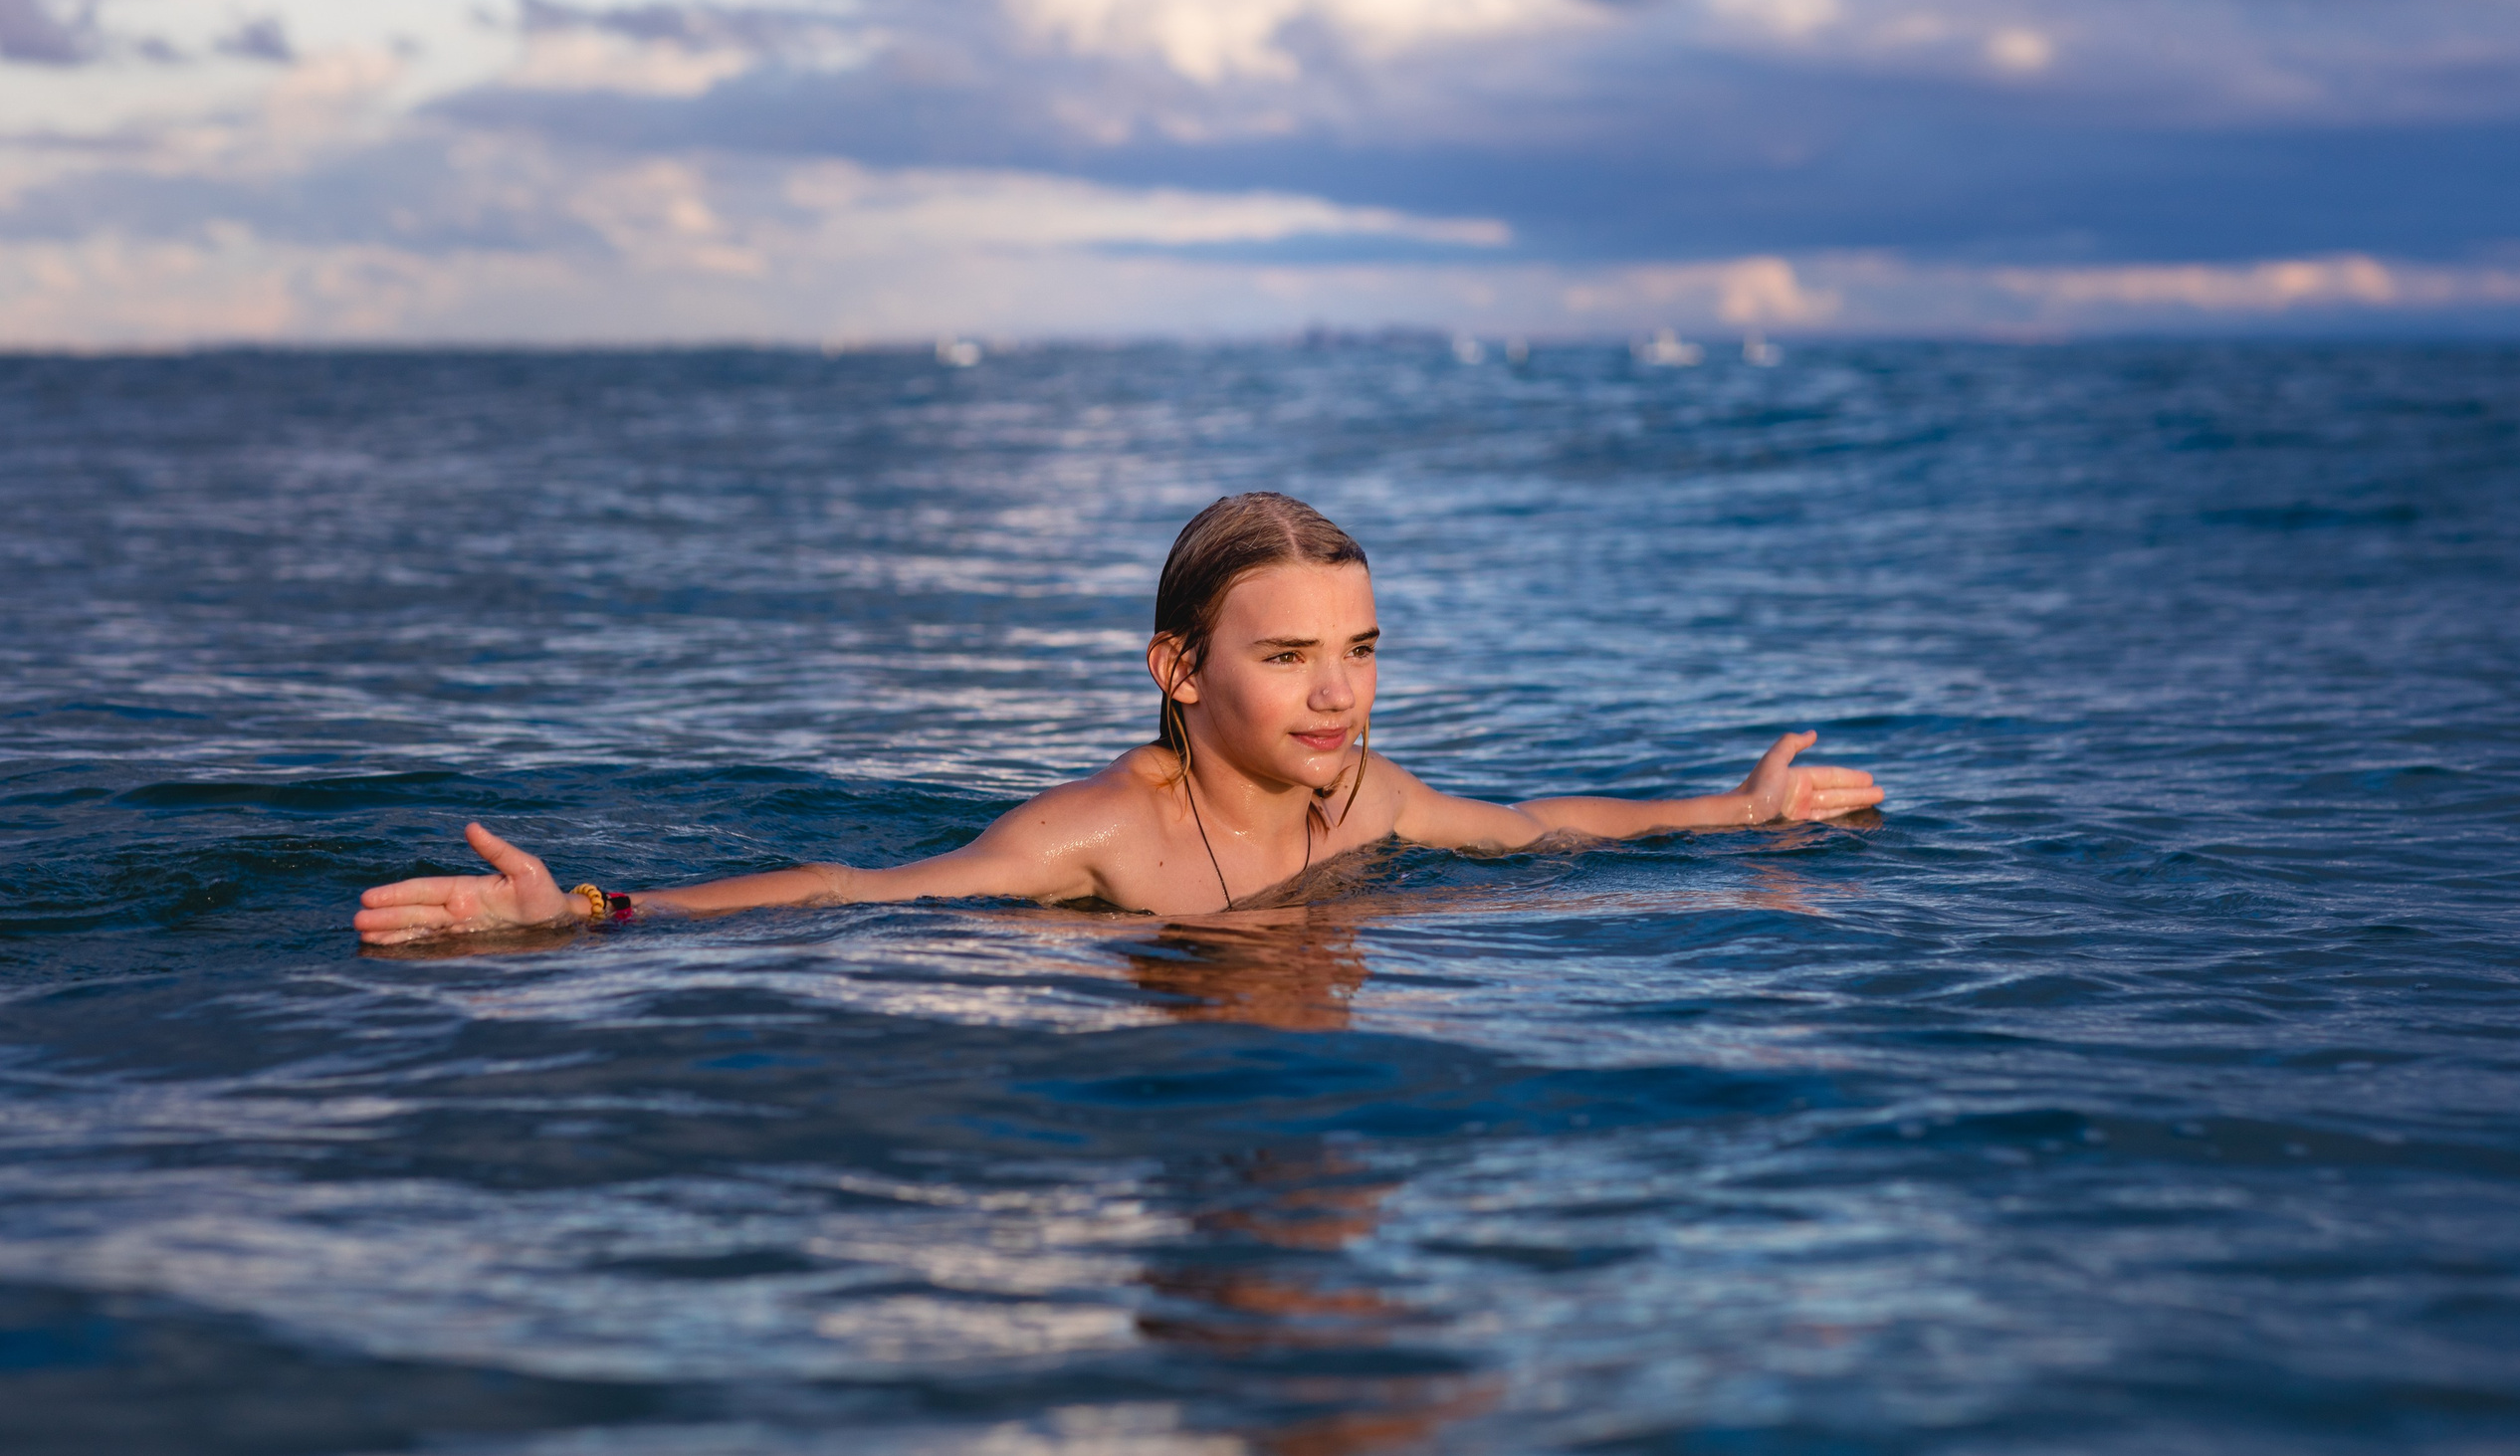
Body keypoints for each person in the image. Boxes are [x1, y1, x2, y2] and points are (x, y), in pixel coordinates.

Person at [352, 493, 1883, 943]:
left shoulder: (1373, 802)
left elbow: (1548, 825)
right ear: (1178, 668)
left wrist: (1737, 814)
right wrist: (594, 911)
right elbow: (856, 889)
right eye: (1287, 655)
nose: (1338, 689)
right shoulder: (1101, 833)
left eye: (1359, 646)